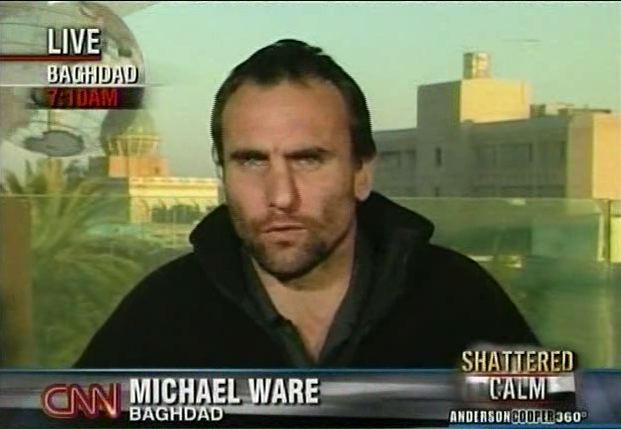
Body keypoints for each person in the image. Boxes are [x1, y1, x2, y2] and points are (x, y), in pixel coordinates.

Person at [76, 39, 538, 368]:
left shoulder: (459, 301)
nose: (280, 196)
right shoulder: (160, 315)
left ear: (362, 172)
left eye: (308, 160)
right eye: (252, 161)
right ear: (222, 173)